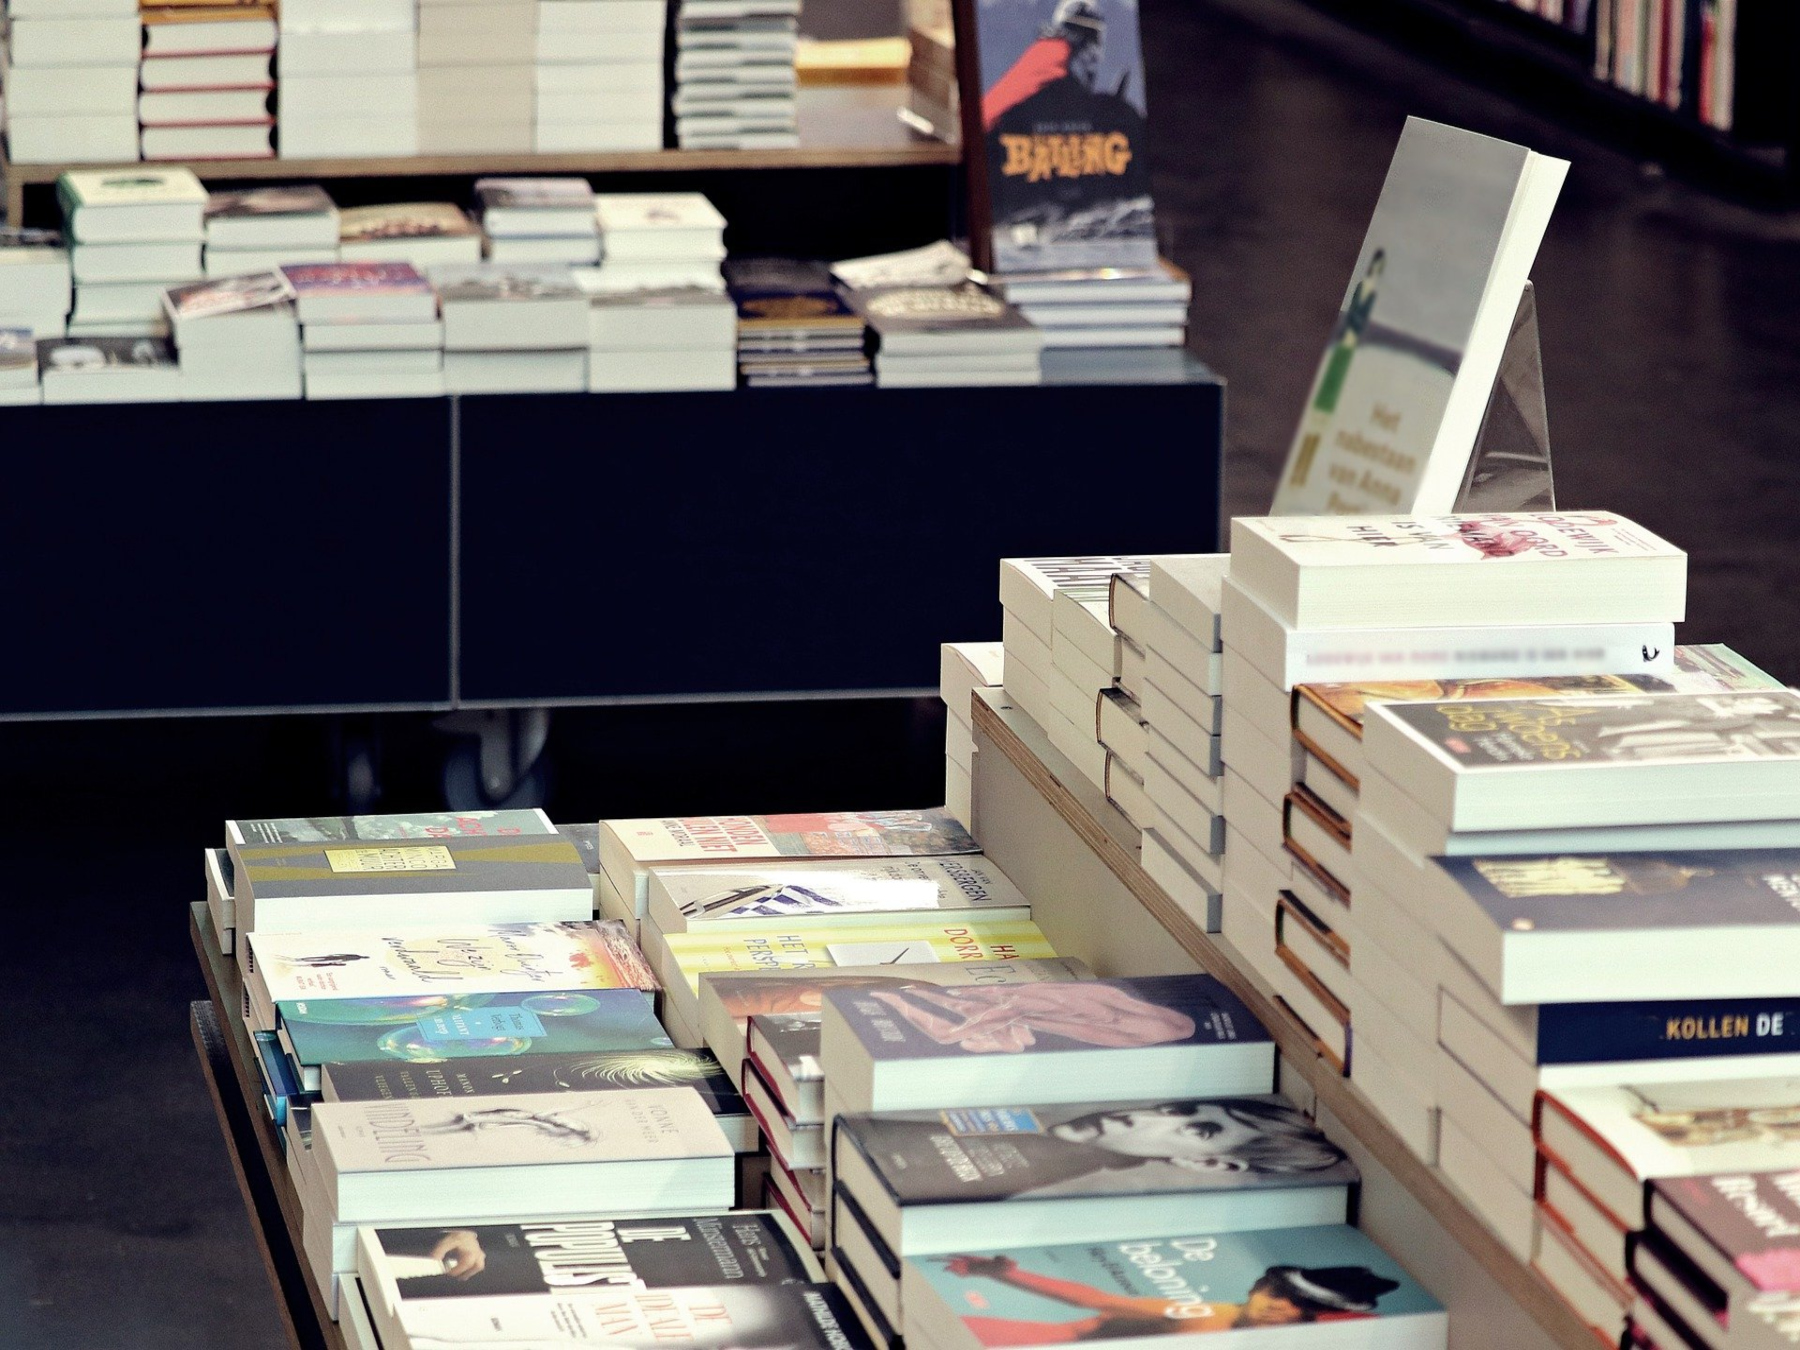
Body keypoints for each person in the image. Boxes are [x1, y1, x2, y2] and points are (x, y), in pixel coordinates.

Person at [940, 1253, 1399, 1340]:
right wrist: (1004, 1274)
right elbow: (1090, 1298)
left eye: (1304, 1309)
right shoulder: (1211, 1317)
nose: (1282, 1307)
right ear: (1260, 1287)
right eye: (1280, 1293)